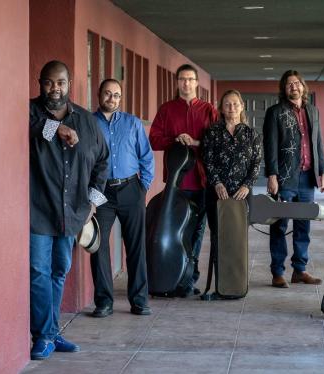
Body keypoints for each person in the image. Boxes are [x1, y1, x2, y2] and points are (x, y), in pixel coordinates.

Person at [29, 60, 109, 360]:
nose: (55, 88)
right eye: (49, 82)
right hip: (38, 210)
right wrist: (57, 128)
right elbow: (28, 126)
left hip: (71, 212)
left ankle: (51, 332)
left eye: (60, 82)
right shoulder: (31, 112)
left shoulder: (88, 122)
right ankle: (44, 335)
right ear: (40, 82)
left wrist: (92, 202)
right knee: (38, 271)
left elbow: (103, 162)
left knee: (59, 271)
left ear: (69, 83)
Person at [149, 64, 219, 296]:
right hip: (176, 183)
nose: (186, 83)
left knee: (196, 233)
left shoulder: (209, 110)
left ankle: (189, 277)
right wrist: (175, 139)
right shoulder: (167, 109)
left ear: (196, 82)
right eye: (182, 79)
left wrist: (197, 142)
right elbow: (154, 140)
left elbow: (219, 143)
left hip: (201, 181)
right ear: (177, 82)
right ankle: (171, 277)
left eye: (190, 79)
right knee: (174, 231)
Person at [90, 79, 155, 318]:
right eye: (108, 94)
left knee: (136, 247)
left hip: (130, 189)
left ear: (121, 98)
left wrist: (143, 187)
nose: (112, 99)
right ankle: (104, 302)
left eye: (116, 95)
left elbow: (146, 157)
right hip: (101, 192)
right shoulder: (89, 123)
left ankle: (139, 301)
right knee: (98, 245)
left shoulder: (132, 123)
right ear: (99, 95)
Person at [263, 70, 324, 288]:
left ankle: (299, 270)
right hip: (284, 178)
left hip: (308, 177)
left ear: (303, 86)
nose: (294, 86)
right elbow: (270, 146)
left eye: (297, 83)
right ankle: (278, 272)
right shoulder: (275, 112)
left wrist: (323, 171)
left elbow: (318, 143)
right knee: (279, 225)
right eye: (289, 84)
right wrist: (272, 176)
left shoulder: (313, 111)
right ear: (284, 88)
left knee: (304, 225)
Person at [202, 89, 262, 267]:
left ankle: (236, 281)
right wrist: (217, 183)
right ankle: (221, 280)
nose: (232, 107)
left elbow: (256, 163)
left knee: (238, 236)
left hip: (242, 194)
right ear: (221, 108)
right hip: (217, 193)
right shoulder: (212, 132)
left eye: (235, 104)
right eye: (227, 104)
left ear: (242, 107)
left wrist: (246, 186)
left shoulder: (252, 134)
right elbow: (208, 160)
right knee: (218, 236)